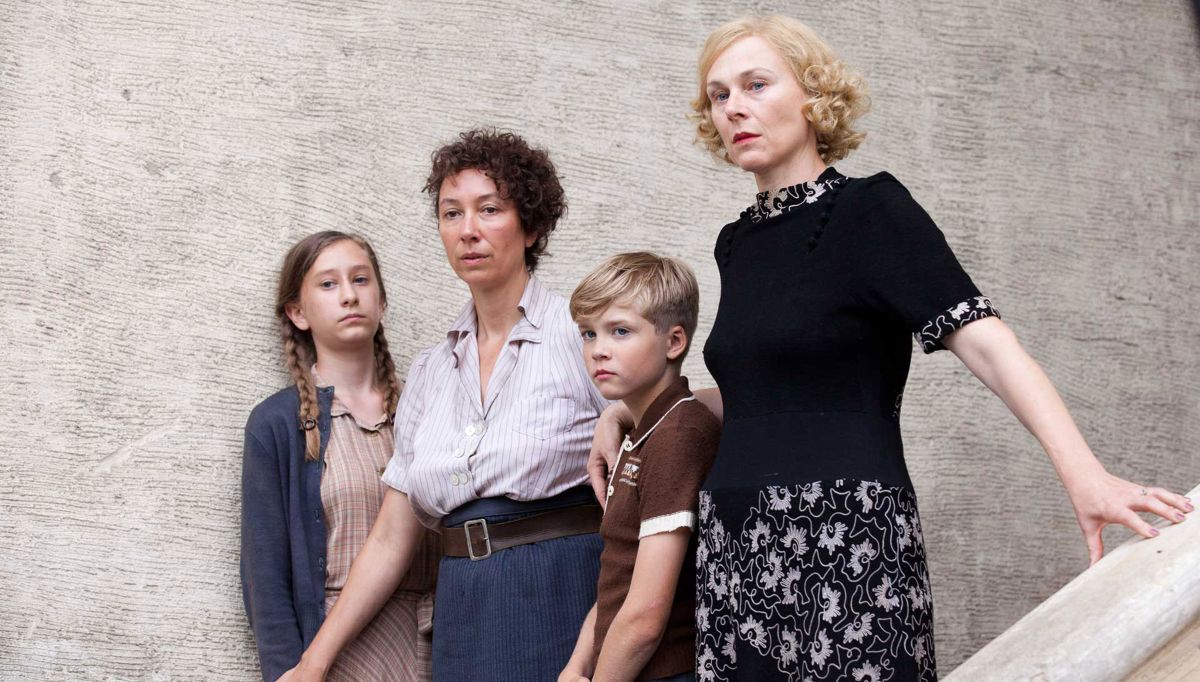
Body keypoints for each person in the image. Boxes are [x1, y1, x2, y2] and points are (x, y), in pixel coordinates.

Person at [588, 15, 1193, 681]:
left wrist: (1085, 476)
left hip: (847, 538)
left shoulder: (872, 211)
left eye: (756, 85)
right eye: (719, 94)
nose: (734, 107)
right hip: (736, 546)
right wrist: (635, 413)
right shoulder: (735, 243)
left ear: (813, 95)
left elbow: (991, 346)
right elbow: (770, 392)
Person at [281, 129, 610, 682]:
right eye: (451, 213)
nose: (467, 230)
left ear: (531, 226)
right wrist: (313, 664)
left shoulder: (581, 336)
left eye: (490, 209)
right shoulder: (433, 371)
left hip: (561, 594)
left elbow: (656, 446)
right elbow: (391, 538)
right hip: (461, 609)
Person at [241, 231, 439, 682]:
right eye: (328, 284)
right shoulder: (278, 424)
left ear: (381, 300)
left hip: (439, 646)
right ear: (297, 312)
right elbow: (264, 575)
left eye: (361, 280)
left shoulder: (429, 411)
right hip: (335, 654)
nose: (349, 295)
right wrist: (287, 671)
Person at [560, 253, 720, 682]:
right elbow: (619, 572)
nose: (599, 350)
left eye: (620, 331)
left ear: (674, 342)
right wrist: (577, 666)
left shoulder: (678, 434)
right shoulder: (641, 432)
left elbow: (647, 615)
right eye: (589, 333)